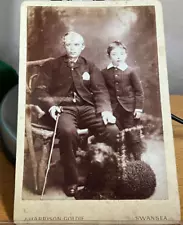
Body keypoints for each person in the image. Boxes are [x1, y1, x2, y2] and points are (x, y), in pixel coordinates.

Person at [33, 32, 119, 197]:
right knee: (67, 132)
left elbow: (100, 90)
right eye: (69, 45)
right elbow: (39, 90)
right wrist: (51, 107)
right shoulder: (52, 65)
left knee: (112, 130)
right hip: (63, 109)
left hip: (87, 108)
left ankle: (101, 177)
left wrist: (106, 111)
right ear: (64, 46)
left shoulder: (90, 66)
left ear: (82, 46)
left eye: (76, 45)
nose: (72, 48)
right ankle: (71, 180)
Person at [101, 41, 144, 160]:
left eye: (121, 54)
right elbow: (102, 91)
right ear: (109, 56)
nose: (118, 57)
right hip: (113, 109)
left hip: (129, 109)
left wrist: (138, 108)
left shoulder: (131, 71)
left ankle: (137, 159)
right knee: (116, 134)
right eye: (114, 54)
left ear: (126, 55)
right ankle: (119, 159)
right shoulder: (104, 72)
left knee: (132, 135)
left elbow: (139, 92)